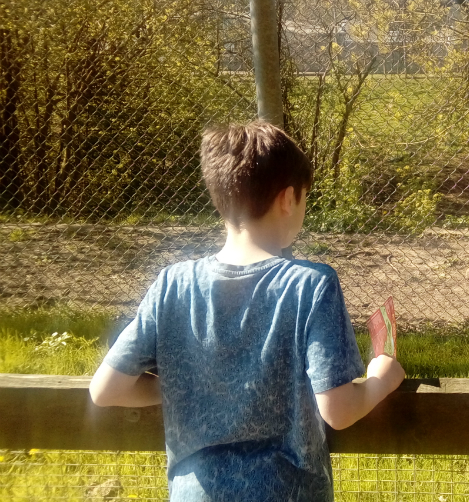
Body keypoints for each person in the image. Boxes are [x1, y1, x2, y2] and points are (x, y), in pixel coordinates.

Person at [89, 121, 405, 501]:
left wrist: (188, 385)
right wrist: (381, 379)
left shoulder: (173, 283)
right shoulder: (310, 284)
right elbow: (337, 411)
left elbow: (105, 390)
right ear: (288, 199)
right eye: (305, 198)